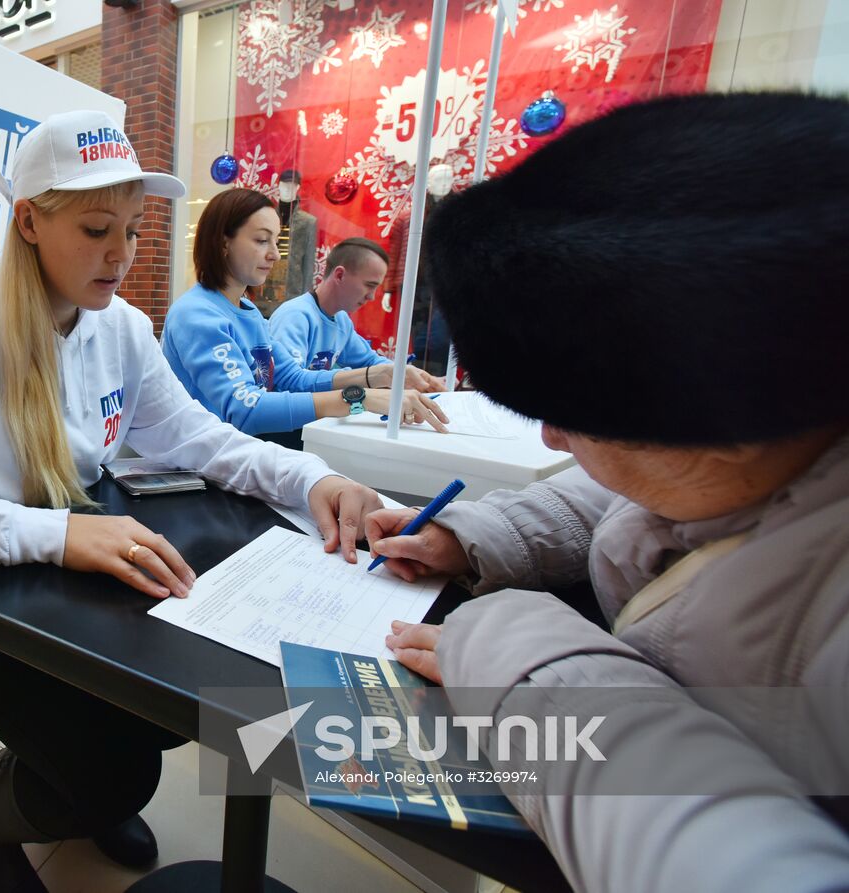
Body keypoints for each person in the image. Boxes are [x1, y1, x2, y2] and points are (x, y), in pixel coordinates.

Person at [0, 110, 385, 893]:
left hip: (53, 577)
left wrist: (311, 480)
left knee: (166, 704)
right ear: (27, 222)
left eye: (132, 229)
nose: (121, 254)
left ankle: (66, 787)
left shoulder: (118, 325)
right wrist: (51, 534)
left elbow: (198, 436)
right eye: (94, 230)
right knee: (116, 769)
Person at [364, 92, 849, 891]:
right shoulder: (767, 456)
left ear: (722, 420)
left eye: (573, 416)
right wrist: (475, 534)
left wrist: (512, 657)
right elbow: (636, 502)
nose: (553, 440)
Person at [161, 188, 448, 445]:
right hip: (198, 463)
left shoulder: (248, 311)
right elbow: (245, 409)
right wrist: (360, 398)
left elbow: (292, 377)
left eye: (276, 241)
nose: (275, 254)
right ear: (223, 242)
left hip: (238, 450)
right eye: (262, 240)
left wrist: (381, 374)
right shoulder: (197, 314)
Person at [269, 236, 445, 392]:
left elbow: (370, 361)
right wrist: (365, 377)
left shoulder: (341, 320)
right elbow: (289, 382)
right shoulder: (294, 316)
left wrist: (420, 377)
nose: (371, 296)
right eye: (369, 285)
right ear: (339, 275)